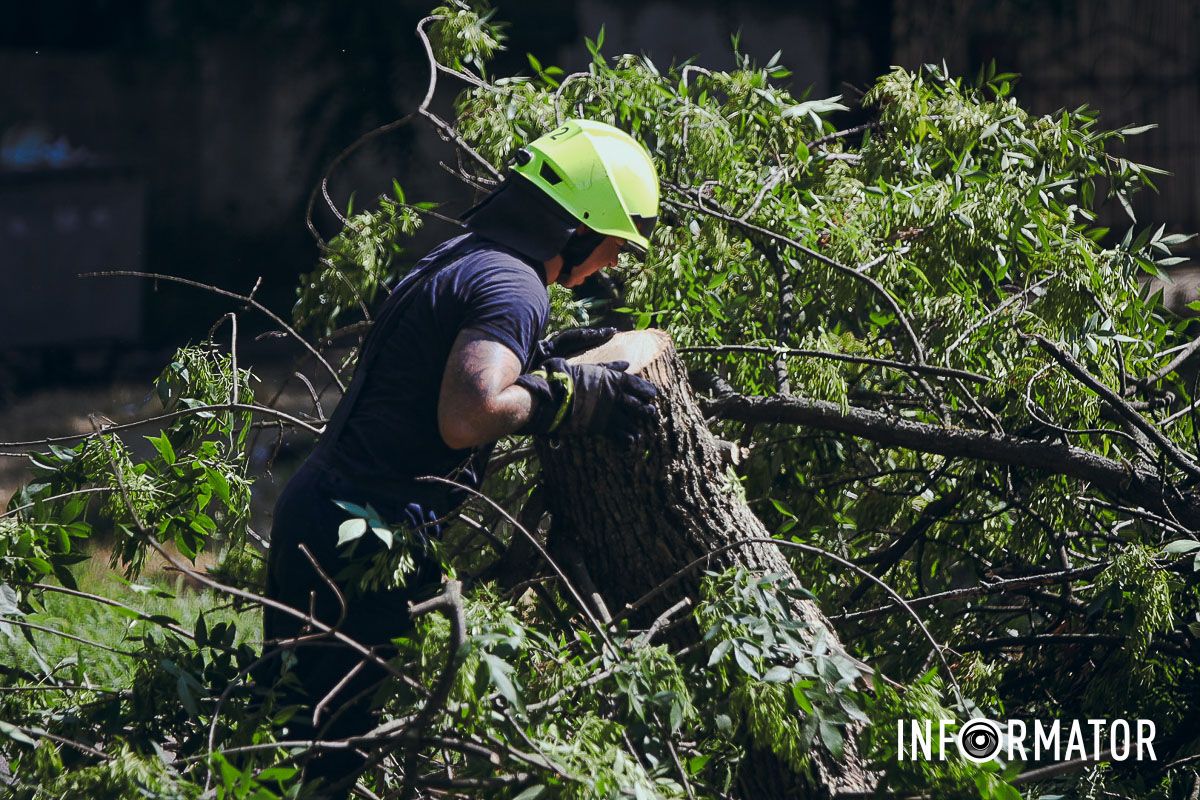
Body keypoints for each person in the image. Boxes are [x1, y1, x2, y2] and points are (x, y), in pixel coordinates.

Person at [261, 118, 661, 797]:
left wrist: (542, 357)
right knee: (331, 763)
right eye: (616, 244)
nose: (615, 263)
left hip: (325, 514)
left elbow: (435, 373)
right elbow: (468, 413)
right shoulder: (516, 286)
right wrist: (572, 398)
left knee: (288, 745)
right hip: (363, 539)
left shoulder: (468, 255)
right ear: (580, 228)